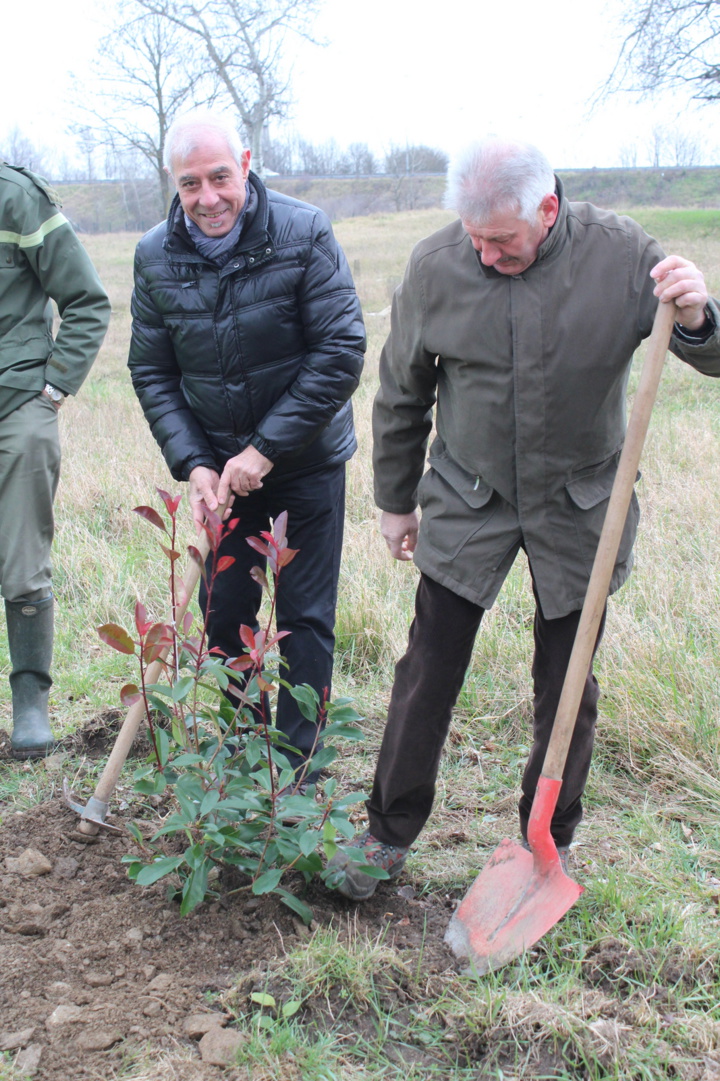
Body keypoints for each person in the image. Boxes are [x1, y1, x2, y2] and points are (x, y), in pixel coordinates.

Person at [329, 138, 720, 900]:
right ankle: (385, 829)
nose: (484, 253)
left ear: (548, 208)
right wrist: (393, 499)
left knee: (568, 678)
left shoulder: (622, 254)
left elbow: (712, 355)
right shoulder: (438, 266)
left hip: (581, 505)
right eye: (474, 236)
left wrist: (701, 313)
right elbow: (401, 393)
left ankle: (550, 840)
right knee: (426, 667)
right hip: (467, 493)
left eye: (501, 239)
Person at [128, 110, 365, 778]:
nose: (208, 198)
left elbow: (341, 350)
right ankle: (242, 752)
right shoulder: (155, 255)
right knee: (225, 609)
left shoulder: (303, 231)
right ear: (174, 183)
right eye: (190, 183)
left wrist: (264, 448)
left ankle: (297, 770)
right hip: (219, 479)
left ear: (247, 163)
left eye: (220, 177)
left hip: (305, 465)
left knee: (304, 618)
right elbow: (152, 369)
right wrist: (196, 463)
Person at [0, 161, 110, 759]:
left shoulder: (15, 199)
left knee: (21, 562)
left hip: (15, 404)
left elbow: (87, 300)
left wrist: (54, 388)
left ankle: (30, 705)